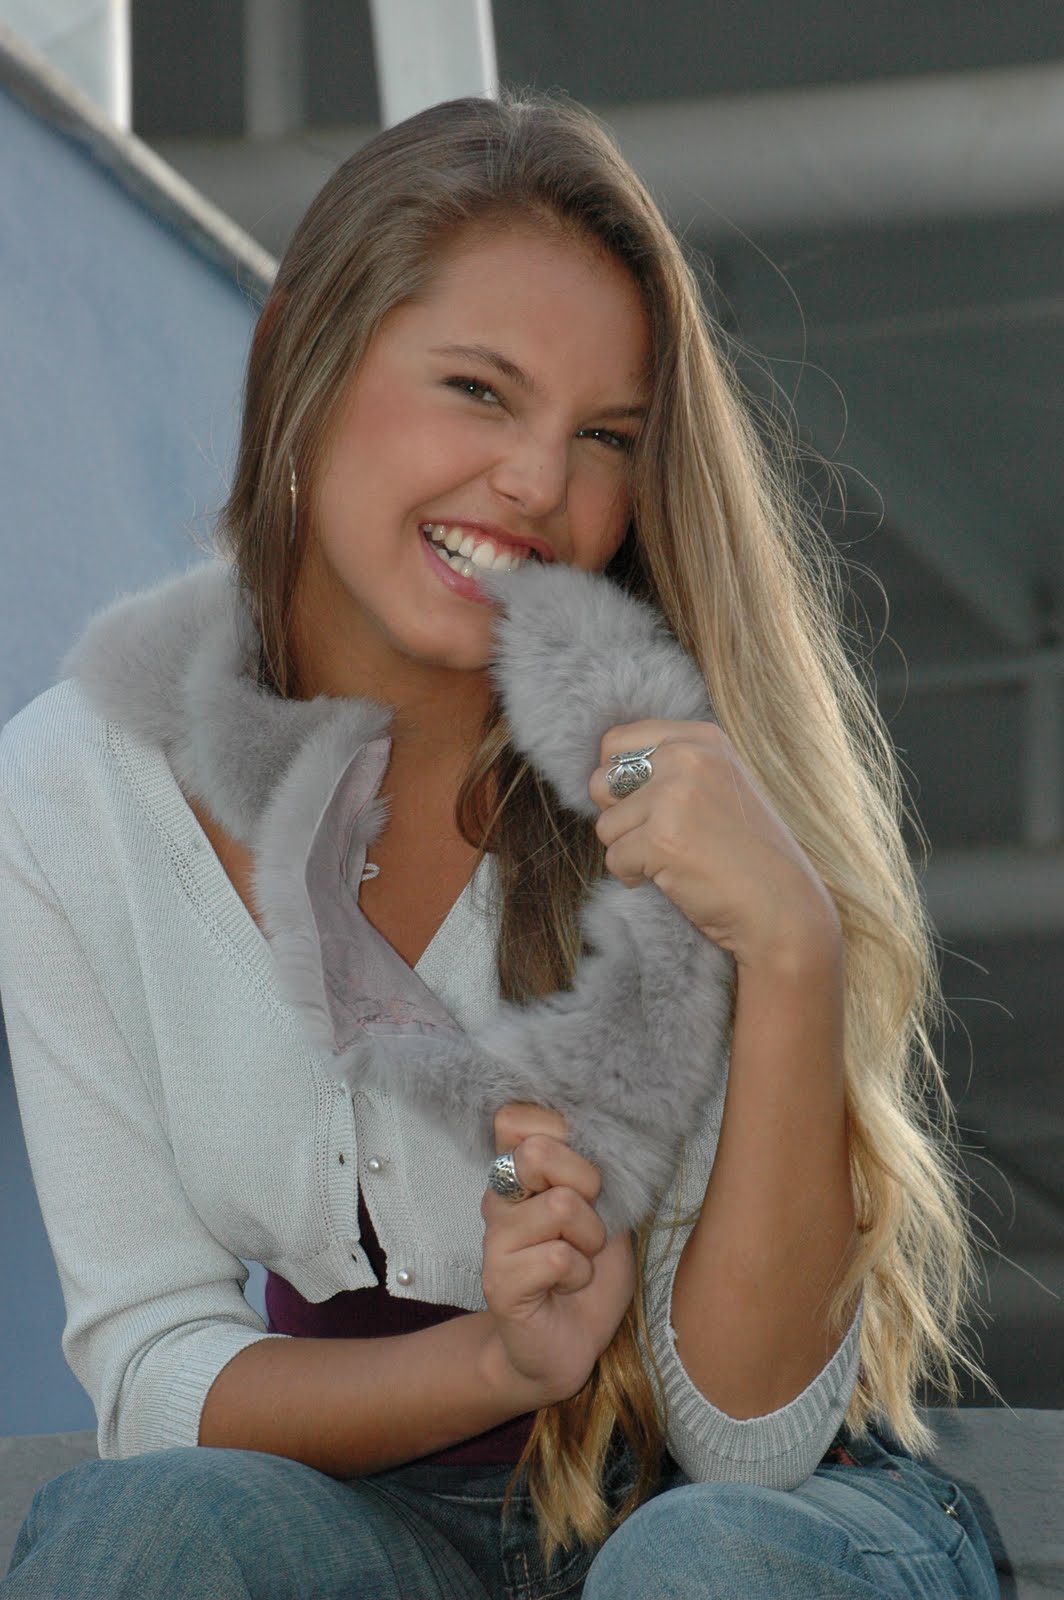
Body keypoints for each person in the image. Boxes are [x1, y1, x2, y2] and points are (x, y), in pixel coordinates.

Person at [0, 90, 998, 1599]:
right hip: (373, 1515)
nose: (540, 483)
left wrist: (792, 948)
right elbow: (151, 1364)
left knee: (702, 1566)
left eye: (604, 437)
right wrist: (498, 1360)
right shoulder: (75, 791)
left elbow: (749, 1445)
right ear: (298, 363)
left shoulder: (683, 779)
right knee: (145, 1535)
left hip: (761, 1520)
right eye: (479, 390)